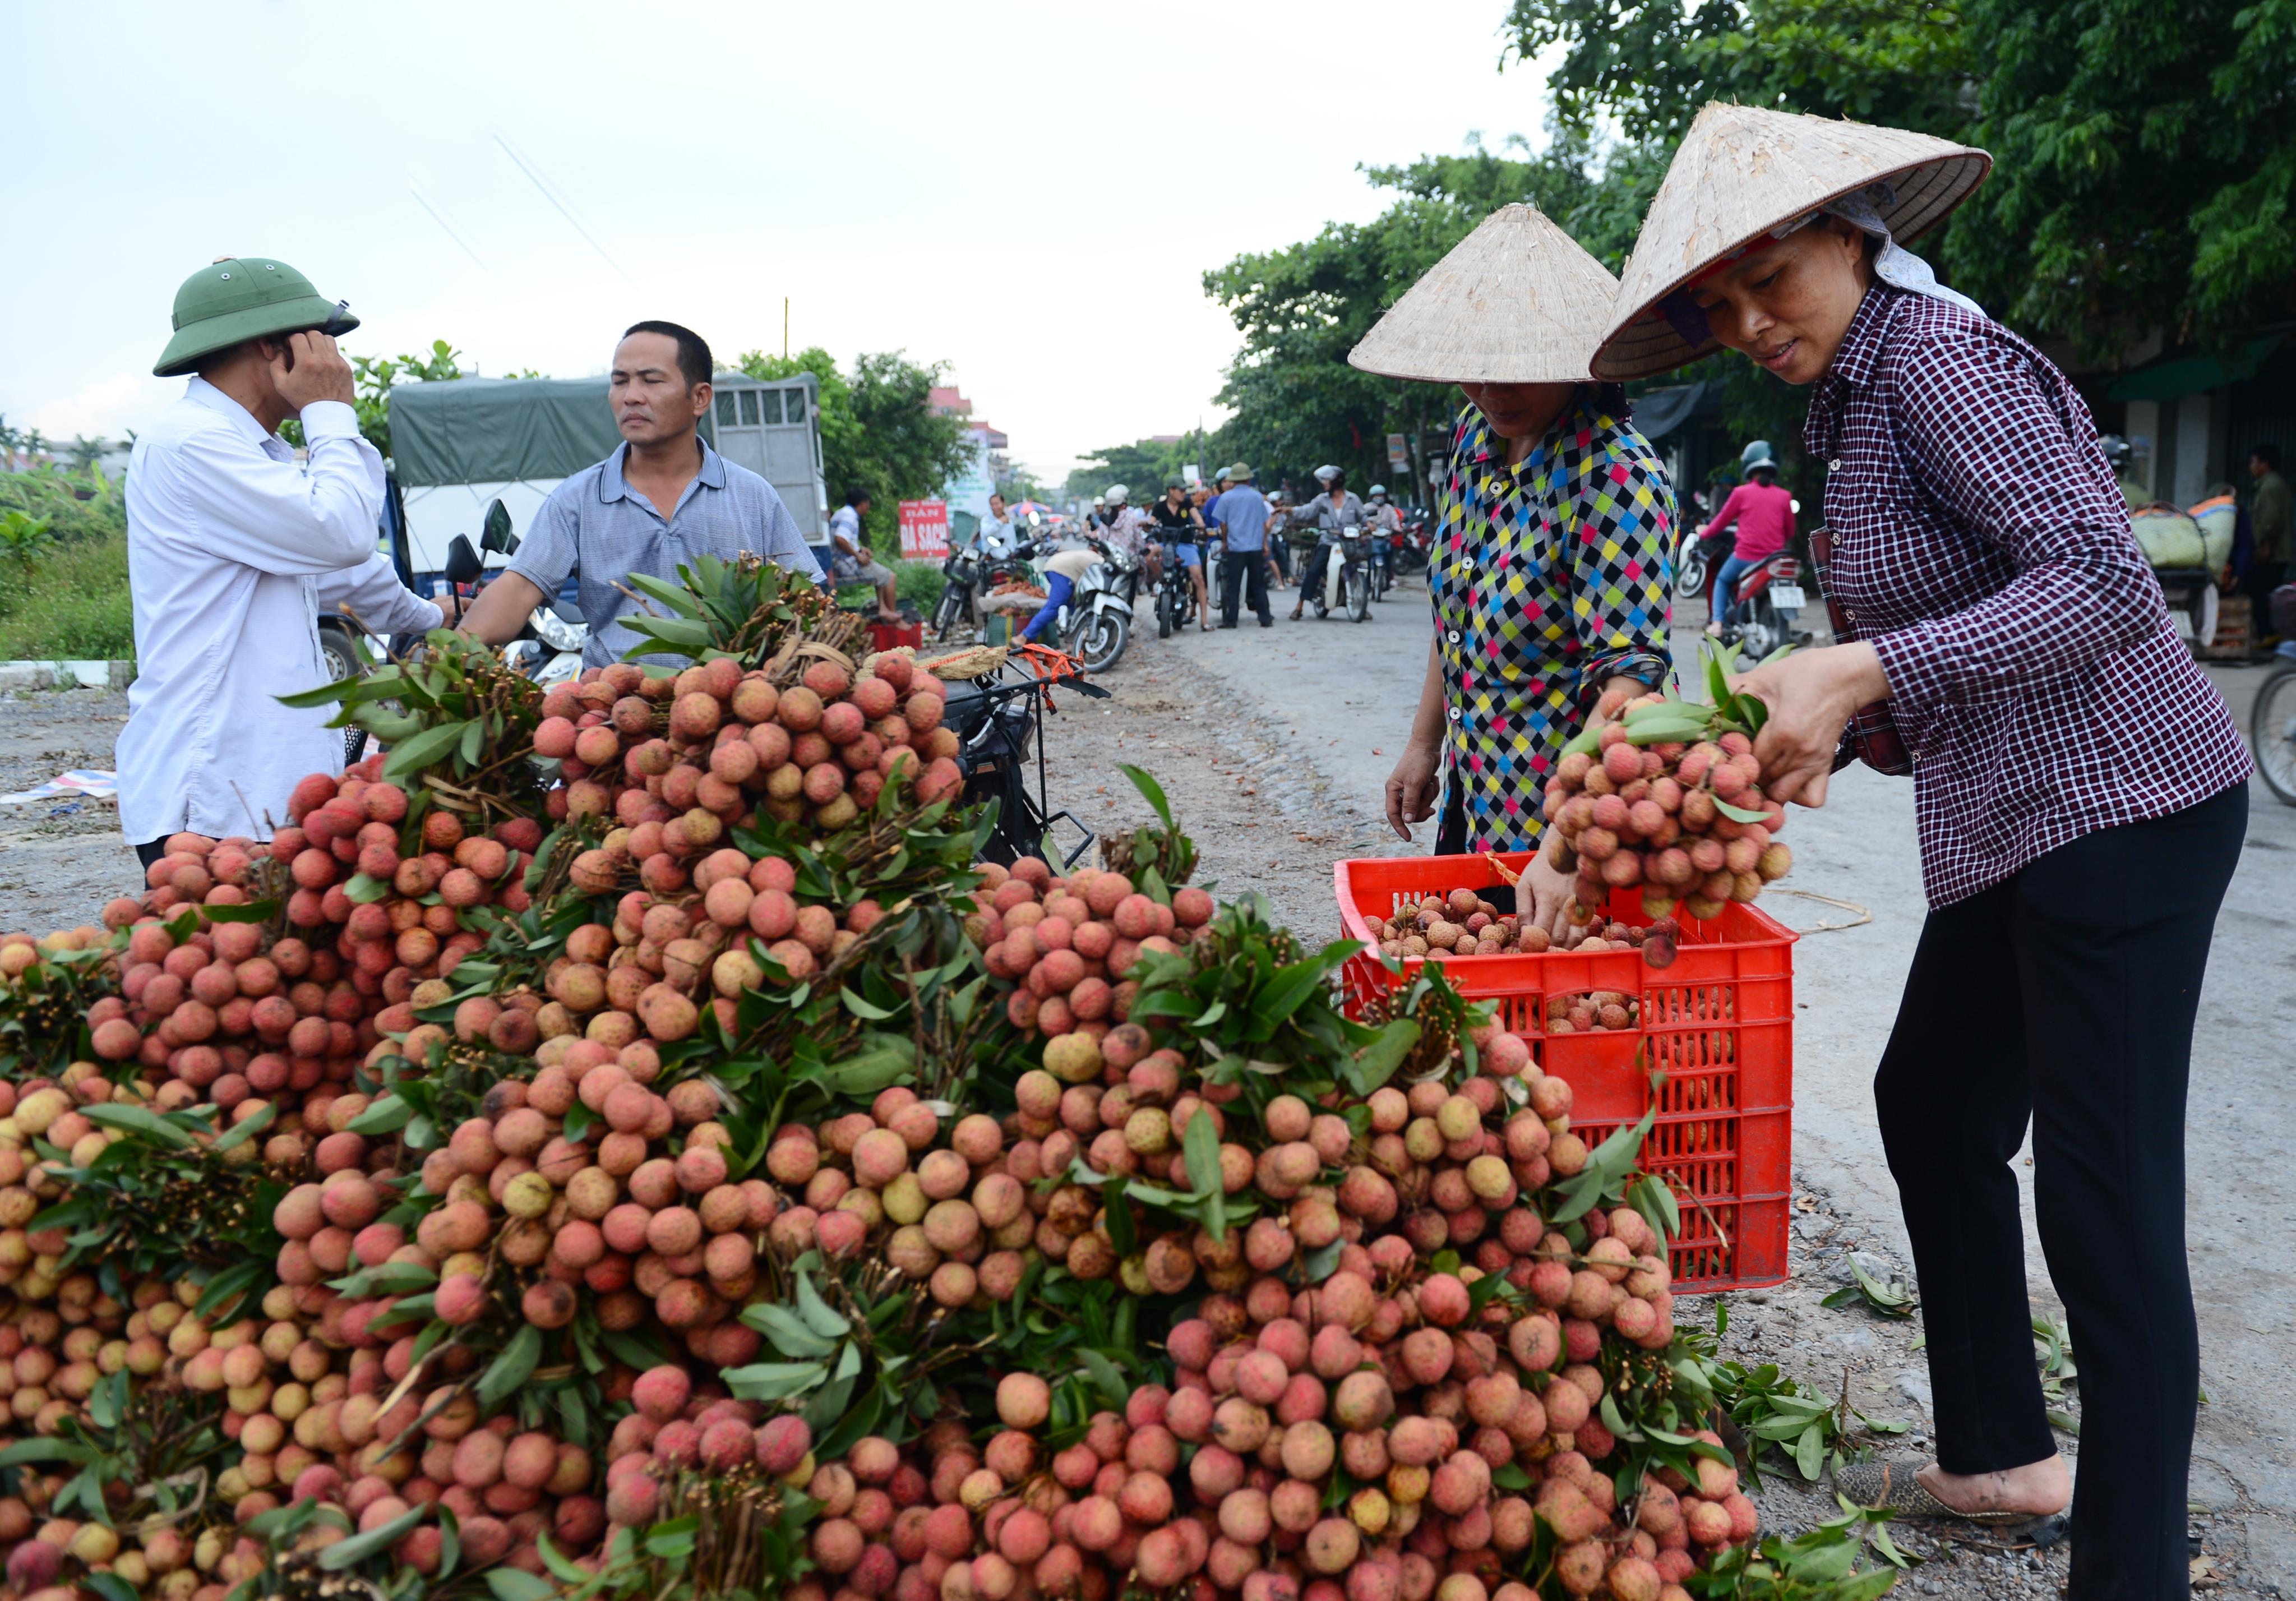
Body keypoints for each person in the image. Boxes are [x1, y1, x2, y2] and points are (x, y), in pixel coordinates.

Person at [1594, 103, 2251, 1597]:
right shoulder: (1849, 391)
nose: (1751, 322)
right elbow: (1946, 629)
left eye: (1774, 278)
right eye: (1719, 306)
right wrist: (1842, 715)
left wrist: (1856, 673)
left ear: (1848, 232)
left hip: (2126, 804)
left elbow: (2097, 585)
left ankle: (2128, 1566)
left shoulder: (1938, 359)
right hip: (2012, 812)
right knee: (1930, 1098)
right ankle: (1997, 1450)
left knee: (2102, 1200)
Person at [1357, 206, 1673, 924]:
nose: (1493, 392)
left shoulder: (1613, 476)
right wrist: (1423, 743)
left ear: (1573, 360)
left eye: (1518, 371)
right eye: (1475, 372)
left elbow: (1633, 677)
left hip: (1579, 827)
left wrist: (1565, 845)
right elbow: (1458, 611)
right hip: (1481, 795)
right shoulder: (1477, 441)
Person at [119, 256, 454, 864]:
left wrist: (431, 616)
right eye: (319, 341)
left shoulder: (251, 448)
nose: (335, 361)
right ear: (275, 345)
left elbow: (341, 573)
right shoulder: (193, 443)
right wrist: (331, 413)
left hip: (258, 789)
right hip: (216, 794)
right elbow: (343, 533)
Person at [460, 321, 823, 664]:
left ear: (699, 397)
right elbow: (519, 589)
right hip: (612, 713)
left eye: (651, 381)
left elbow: (807, 599)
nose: (631, 396)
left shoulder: (751, 497)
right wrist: (451, 653)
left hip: (732, 711)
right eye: (620, 382)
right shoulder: (577, 501)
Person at [1699, 442, 1796, 634]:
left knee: (1722, 580)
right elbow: (1790, 532)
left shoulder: (1741, 493)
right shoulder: (1785, 496)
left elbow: (1720, 522)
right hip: (1774, 560)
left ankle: (1717, 623)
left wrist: (1704, 533)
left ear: (1748, 466)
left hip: (1745, 558)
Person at [1290, 465, 1364, 620]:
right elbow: (1307, 511)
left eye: (1327, 480)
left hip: (1348, 542)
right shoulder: (1322, 500)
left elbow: (1364, 517)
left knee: (1359, 566)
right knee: (1314, 571)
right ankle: (1300, 605)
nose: (1324, 483)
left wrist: (1369, 524)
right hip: (1328, 542)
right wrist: (1289, 510)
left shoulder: (1353, 499)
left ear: (1336, 481)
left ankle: (1361, 602)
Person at [1206, 463, 1273, 628]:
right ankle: (1265, 618)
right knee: (1258, 584)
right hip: (1255, 547)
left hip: (1236, 548)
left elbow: (1223, 524)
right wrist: (1264, 543)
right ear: (1248, 479)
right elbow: (1265, 523)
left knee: (1233, 585)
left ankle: (1231, 620)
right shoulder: (1257, 497)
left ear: (1233, 480)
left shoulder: (1226, 498)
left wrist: (1225, 542)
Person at [828, 488, 901, 623]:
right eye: (868, 504)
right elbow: (840, 539)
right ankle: (891, 616)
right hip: (845, 564)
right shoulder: (850, 516)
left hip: (839, 560)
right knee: (890, 577)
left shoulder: (842, 513)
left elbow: (842, 541)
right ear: (863, 503)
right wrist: (858, 555)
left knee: (878, 570)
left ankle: (884, 609)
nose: (868, 508)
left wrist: (860, 549)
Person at [1149, 474, 1211, 629]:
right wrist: (1147, 525)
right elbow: (1152, 521)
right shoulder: (1159, 506)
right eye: (1181, 490)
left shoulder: (1187, 504)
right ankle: (1160, 580)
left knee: (1199, 578)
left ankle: (1204, 621)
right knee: (1149, 556)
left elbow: (1196, 517)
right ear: (1171, 491)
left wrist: (1200, 524)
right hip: (1166, 544)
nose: (1184, 493)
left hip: (1186, 545)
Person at [2247, 444, 2290, 642]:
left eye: (2254, 462)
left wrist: (2266, 545)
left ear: (2265, 464)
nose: (2251, 467)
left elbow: (2271, 521)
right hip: (2276, 551)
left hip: (2274, 552)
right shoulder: (2272, 484)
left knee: (2260, 591)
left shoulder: (2270, 486)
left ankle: (2269, 635)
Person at [1365, 483, 1402, 589]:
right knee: (1368, 558)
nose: (1379, 498)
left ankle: (1390, 578)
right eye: (1376, 495)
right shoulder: (1367, 507)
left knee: (1389, 557)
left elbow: (1395, 521)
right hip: (1371, 538)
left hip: (1386, 538)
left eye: (1381, 495)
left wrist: (1397, 528)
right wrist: (1367, 525)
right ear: (1372, 497)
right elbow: (1362, 519)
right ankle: (1367, 582)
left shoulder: (1389, 508)